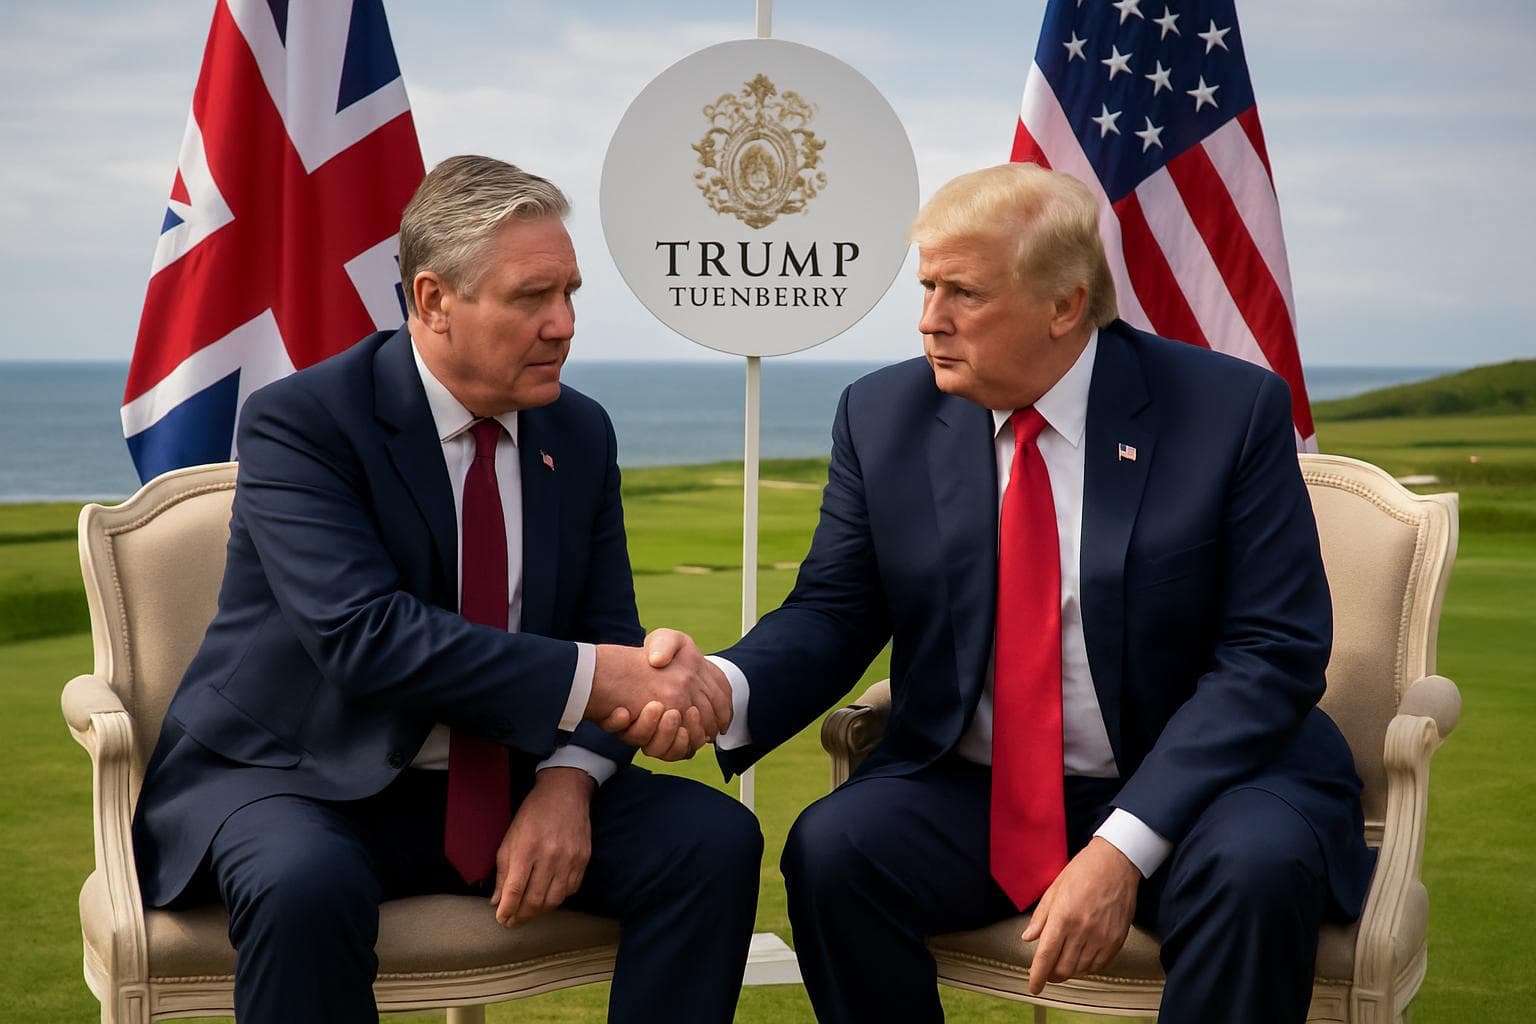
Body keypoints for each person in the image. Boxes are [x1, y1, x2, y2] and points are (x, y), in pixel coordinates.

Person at [642, 162, 1376, 1023]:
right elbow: (834, 611)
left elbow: (1271, 654)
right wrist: (717, 689)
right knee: (834, 850)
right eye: (925, 287)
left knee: (1256, 866)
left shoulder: (1227, 410)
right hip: (978, 789)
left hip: (1204, 785)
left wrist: (1121, 847)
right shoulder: (882, 417)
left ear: (1065, 304)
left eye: (964, 293)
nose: (930, 321)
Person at [131, 155, 762, 1024]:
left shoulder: (578, 431)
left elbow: (610, 626)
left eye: (571, 294)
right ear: (432, 301)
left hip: (496, 779)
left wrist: (568, 783)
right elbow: (366, 636)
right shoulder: (304, 421)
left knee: (714, 843)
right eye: (531, 298)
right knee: (305, 885)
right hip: (295, 774)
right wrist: (603, 679)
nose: (563, 325)